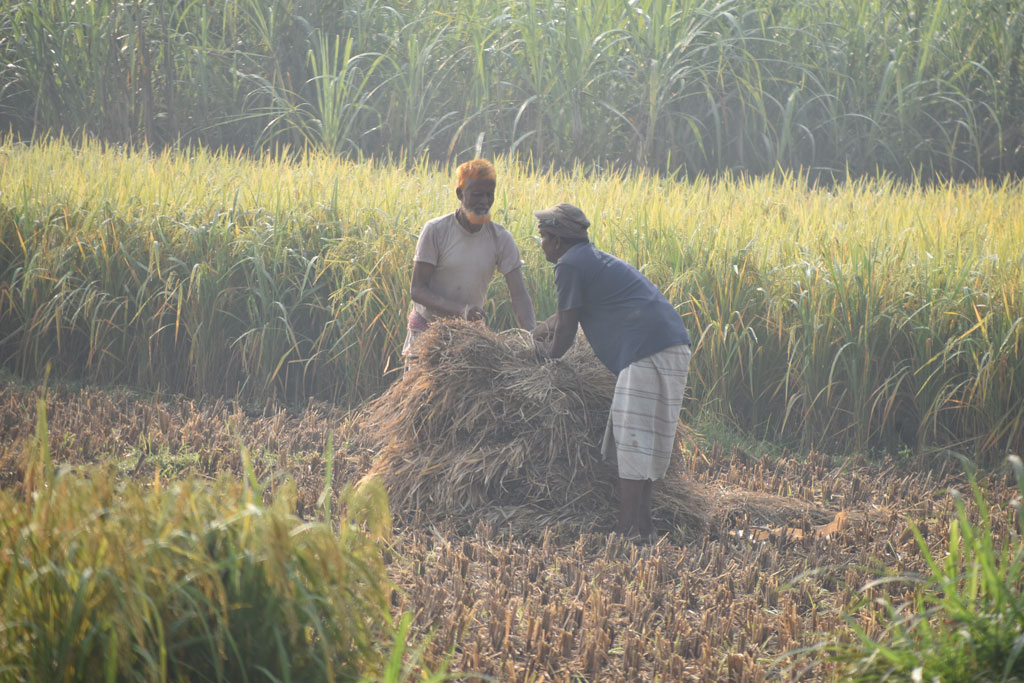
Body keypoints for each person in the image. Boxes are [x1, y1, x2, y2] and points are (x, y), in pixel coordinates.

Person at [532, 203, 691, 541]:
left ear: (558, 240)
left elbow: (566, 332)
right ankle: (644, 526)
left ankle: (627, 528)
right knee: (644, 442)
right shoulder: (587, 259)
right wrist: (534, 333)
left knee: (632, 440)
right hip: (670, 344)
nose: (541, 243)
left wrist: (543, 363)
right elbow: (561, 319)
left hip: (647, 349)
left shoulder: (569, 265)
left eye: (543, 237)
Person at [403, 159, 537, 363]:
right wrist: (461, 311)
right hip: (427, 335)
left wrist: (532, 339)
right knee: (420, 393)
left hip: (466, 337)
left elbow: (519, 295)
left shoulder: (500, 238)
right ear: (460, 194)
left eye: (489, 195)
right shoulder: (436, 231)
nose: (484, 201)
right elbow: (417, 290)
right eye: (476, 195)